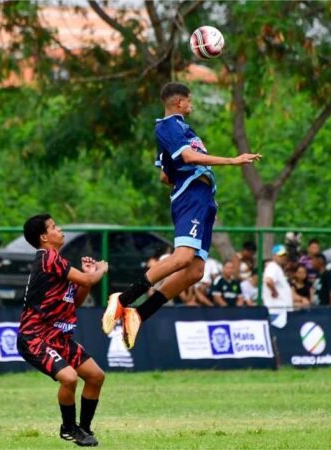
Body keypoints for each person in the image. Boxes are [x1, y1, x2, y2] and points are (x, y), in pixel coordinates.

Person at [102, 82, 262, 348]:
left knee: (195, 271)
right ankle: (123, 299)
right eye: (189, 100)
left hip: (203, 199)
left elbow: (165, 174)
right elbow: (188, 157)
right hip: (191, 196)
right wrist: (233, 160)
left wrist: (179, 174)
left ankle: (139, 314)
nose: (192, 104)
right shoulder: (167, 126)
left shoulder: (182, 130)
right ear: (179, 102)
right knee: (183, 257)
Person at [17, 214, 109, 446]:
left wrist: (84, 279)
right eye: (54, 227)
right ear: (44, 237)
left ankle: (83, 429)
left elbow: (75, 301)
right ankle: (68, 429)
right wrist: (99, 270)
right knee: (69, 378)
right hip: (35, 337)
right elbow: (89, 281)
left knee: (96, 376)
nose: (60, 229)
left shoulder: (56, 262)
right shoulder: (48, 257)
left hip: (58, 337)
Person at [262, 245, 293, 316]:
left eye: (284, 255)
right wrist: (274, 291)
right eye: (280, 255)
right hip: (276, 311)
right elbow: (268, 281)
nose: (283, 257)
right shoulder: (273, 266)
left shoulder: (276, 267)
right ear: (274, 256)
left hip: (279, 311)